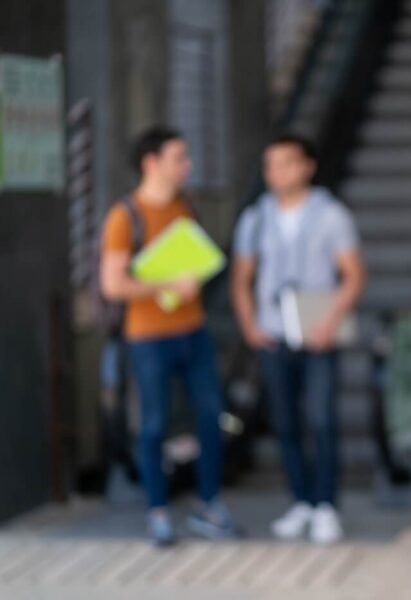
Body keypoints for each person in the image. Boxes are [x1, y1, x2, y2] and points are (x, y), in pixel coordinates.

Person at [100, 126, 238, 546]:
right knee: (154, 423)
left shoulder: (185, 207)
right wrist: (165, 287)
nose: (188, 165)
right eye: (179, 157)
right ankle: (157, 512)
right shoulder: (125, 216)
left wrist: (190, 281)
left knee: (211, 414)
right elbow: (113, 284)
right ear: (151, 163)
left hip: (192, 330)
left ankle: (208, 504)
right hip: (147, 336)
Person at [230, 134, 365, 544]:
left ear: (307, 166)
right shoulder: (255, 217)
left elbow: (353, 275)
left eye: (286, 163)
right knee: (285, 422)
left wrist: (329, 321)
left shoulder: (331, 214)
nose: (277, 173)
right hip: (272, 334)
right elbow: (241, 278)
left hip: (317, 335)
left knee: (322, 420)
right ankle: (301, 501)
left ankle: (325, 505)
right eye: (270, 165)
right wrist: (250, 325)